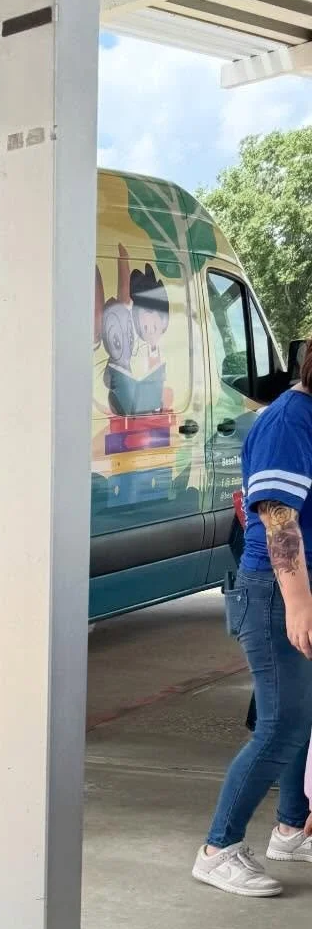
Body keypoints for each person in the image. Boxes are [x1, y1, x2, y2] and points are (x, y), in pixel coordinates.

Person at [195, 338, 312, 896]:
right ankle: (218, 848)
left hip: (291, 589)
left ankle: (291, 828)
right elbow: (277, 515)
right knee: (281, 724)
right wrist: (300, 604)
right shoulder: (290, 418)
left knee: (300, 717)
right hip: (272, 591)